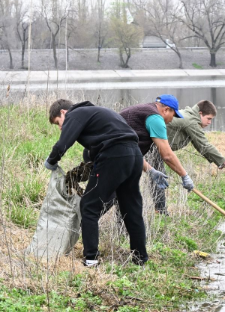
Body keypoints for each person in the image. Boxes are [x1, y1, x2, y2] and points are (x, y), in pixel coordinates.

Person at [44, 99, 149, 267]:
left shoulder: (74, 114)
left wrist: (51, 161)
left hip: (114, 155)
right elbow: (91, 151)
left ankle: (91, 259)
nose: (60, 127)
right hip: (135, 156)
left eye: (58, 122)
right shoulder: (96, 112)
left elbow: (64, 143)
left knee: (89, 206)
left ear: (63, 112)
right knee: (131, 208)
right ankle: (140, 258)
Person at [147, 100, 225, 213]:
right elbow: (205, 145)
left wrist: (220, 162)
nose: (210, 122)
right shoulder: (191, 122)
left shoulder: (189, 116)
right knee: (160, 177)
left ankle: (160, 211)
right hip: (151, 146)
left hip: (156, 146)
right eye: (209, 118)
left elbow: (200, 146)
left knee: (159, 176)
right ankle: (160, 212)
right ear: (200, 113)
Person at [119, 95, 195, 205]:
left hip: (115, 155)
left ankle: (120, 222)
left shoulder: (144, 111)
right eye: (173, 115)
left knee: (124, 198)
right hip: (111, 156)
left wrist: (150, 170)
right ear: (166, 110)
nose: (171, 120)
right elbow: (167, 155)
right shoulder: (155, 118)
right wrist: (184, 176)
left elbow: (132, 152)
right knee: (104, 200)